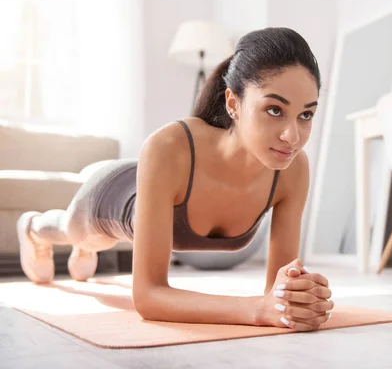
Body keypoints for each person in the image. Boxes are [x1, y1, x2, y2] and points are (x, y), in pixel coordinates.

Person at [16, 27, 334, 332]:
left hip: (158, 186)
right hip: (112, 195)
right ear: (234, 104)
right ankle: (33, 228)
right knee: (74, 232)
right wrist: (257, 310)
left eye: (306, 114)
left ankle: (85, 251)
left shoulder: (293, 169)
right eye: (275, 110)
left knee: (89, 245)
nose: (292, 136)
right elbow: (148, 296)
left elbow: (278, 290)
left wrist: (301, 296)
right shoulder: (168, 146)